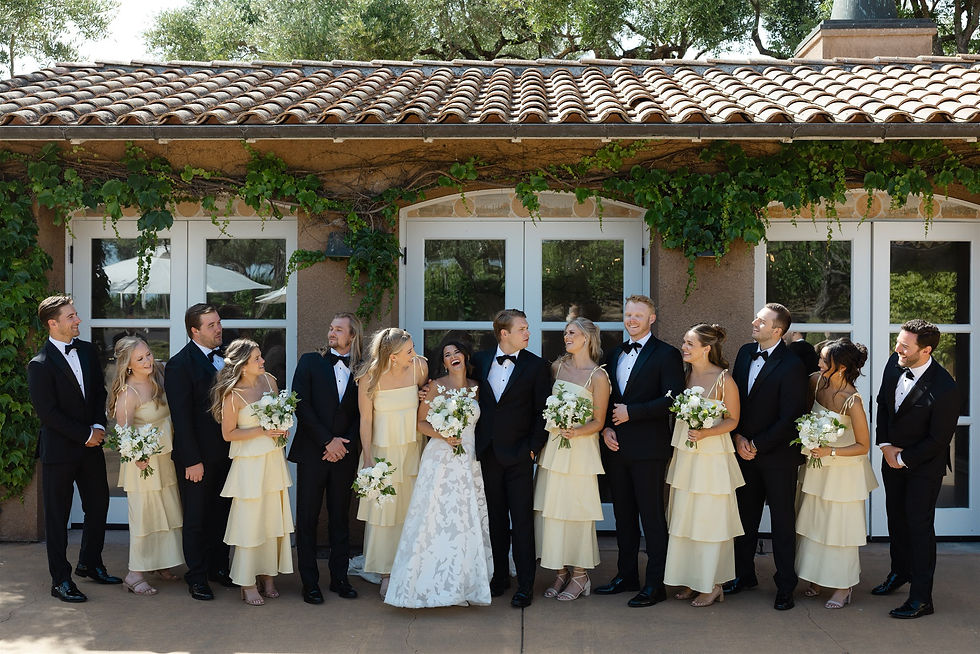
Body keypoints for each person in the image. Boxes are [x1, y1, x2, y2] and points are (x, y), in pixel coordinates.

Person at [27, 295, 121, 602]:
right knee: (58, 517)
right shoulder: (39, 365)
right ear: (53, 324)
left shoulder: (88, 350)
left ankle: (90, 563)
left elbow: (98, 392)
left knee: (99, 505)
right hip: (59, 452)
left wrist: (98, 425)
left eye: (76, 314)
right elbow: (48, 413)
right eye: (71, 317)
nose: (78, 319)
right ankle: (61, 580)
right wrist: (85, 434)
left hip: (91, 446)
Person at [385, 341, 492, 608]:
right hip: (440, 460)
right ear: (443, 362)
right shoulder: (435, 387)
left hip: (468, 460)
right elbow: (420, 423)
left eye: (456, 352)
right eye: (447, 355)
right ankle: (427, 583)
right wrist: (443, 434)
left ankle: (463, 584)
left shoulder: (478, 387)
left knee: (464, 520)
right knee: (434, 518)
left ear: (465, 356)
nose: (452, 357)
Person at [596, 295, 685, 608]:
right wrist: (606, 428)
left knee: (652, 517)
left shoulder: (667, 354)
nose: (631, 320)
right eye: (628, 315)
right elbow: (605, 399)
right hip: (616, 447)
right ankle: (626, 576)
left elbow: (673, 399)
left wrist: (632, 412)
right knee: (623, 517)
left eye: (638, 315)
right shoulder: (613, 353)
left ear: (652, 318)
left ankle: (655, 584)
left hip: (649, 449)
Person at [872, 319, 959, 619]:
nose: (898, 349)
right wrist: (885, 445)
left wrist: (903, 457)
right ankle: (900, 572)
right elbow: (883, 404)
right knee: (896, 519)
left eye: (905, 346)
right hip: (891, 458)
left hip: (924, 467)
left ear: (926, 350)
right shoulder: (894, 363)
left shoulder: (946, 388)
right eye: (898, 342)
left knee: (918, 527)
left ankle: (922, 599)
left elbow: (938, 439)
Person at [726, 303, 808, 610]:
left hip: (778, 457)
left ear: (778, 330)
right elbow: (735, 401)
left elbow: (790, 416)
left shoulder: (793, 364)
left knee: (782, 523)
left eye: (761, 321)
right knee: (744, 518)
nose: (754, 322)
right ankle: (743, 574)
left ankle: (785, 585)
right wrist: (737, 437)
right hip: (743, 451)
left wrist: (756, 444)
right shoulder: (745, 352)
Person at [472, 309, 551, 608]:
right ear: (504, 333)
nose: (528, 333)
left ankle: (525, 585)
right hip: (488, 453)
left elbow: (542, 411)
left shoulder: (537, 366)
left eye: (527, 328)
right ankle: (500, 577)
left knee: (521, 522)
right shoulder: (480, 361)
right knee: (495, 520)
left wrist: (533, 448)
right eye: (522, 329)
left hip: (519, 455)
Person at [664, 323, 744, 608]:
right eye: (684, 342)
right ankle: (691, 579)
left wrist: (706, 433)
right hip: (686, 458)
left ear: (706, 349)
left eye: (689, 343)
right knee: (686, 518)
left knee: (709, 520)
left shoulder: (724, 380)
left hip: (712, 460)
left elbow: (733, 420)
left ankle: (713, 584)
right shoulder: (684, 376)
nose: (683, 347)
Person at [795, 338, 878, 609]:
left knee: (839, 529)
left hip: (843, 474)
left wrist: (829, 452)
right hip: (816, 469)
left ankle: (843, 586)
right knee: (815, 523)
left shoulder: (852, 401)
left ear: (841, 367)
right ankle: (817, 577)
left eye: (824, 360)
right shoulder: (815, 381)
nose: (819, 363)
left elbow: (863, 446)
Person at [212, 339, 294, 606]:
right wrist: (263, 430)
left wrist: (282, 428)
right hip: (248, 465)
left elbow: (280, 413)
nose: (263, 361)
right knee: (250, 522)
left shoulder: (270, 381)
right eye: (257, 358)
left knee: (271, 519)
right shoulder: (232, 394)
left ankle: (268, 576)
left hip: (272, 459)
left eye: (261, 356)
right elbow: (228, 434)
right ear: (242, 365)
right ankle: (247, 581)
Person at [533, 318, 610, 602]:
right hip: (555, 450)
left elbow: (599, 421)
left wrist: (576, 431)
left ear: (587, 338)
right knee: (553, 511)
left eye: (572, 333)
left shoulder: (598, 376)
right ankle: (560, 571)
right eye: (565, 332)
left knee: (576, 511)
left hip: (581, 452)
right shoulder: (557, 367)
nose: (566, 336)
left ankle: (580, 574)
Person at [288, 312, 362, 605]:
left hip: (344, 453)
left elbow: (365, 413)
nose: (332, 333)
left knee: (340, 518)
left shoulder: (363, 368)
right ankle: (309, 583)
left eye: (339, 330)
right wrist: (327, 441)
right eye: (331, 328)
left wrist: (344, 444)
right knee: (307, 518)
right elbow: (300, 404)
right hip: (313, 452)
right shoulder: (309, 361)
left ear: (352, 336)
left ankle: (340, 578)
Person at [165, 304, 233, 601]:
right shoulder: (179, 365)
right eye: (211, 325)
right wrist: (192, 460)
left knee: (222, 513)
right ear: (194, 331)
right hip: (197, 458)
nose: (218, 328)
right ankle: (197, 576)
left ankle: (219, 567)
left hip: (228, 453)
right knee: (196, 518)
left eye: (218, 322)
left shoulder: (229, 357)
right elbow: (181, 418)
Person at [355, 328, 428, 597]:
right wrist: (368, 459)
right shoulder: (369, 376)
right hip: (382, 453)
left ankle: (411, 566)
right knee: (384, 513)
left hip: (412, 450)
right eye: (409, 351)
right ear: (393, 356)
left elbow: (427, 402)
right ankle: (386, 572)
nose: (414, 354)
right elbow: (366, 420)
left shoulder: (419, 367)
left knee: (410, 509)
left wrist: (425, 395)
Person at [108, 336, 184, 595]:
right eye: (139, 359)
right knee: (145, 517)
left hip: (164, 459)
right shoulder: (127, 393)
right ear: (127, 365)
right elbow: (123, 433)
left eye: (148, 354)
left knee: (166, 512)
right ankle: (134, 574)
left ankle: (160, 563)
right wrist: (137, 456)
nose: (147, 361)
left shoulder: (158, 378)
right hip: (143, 465)